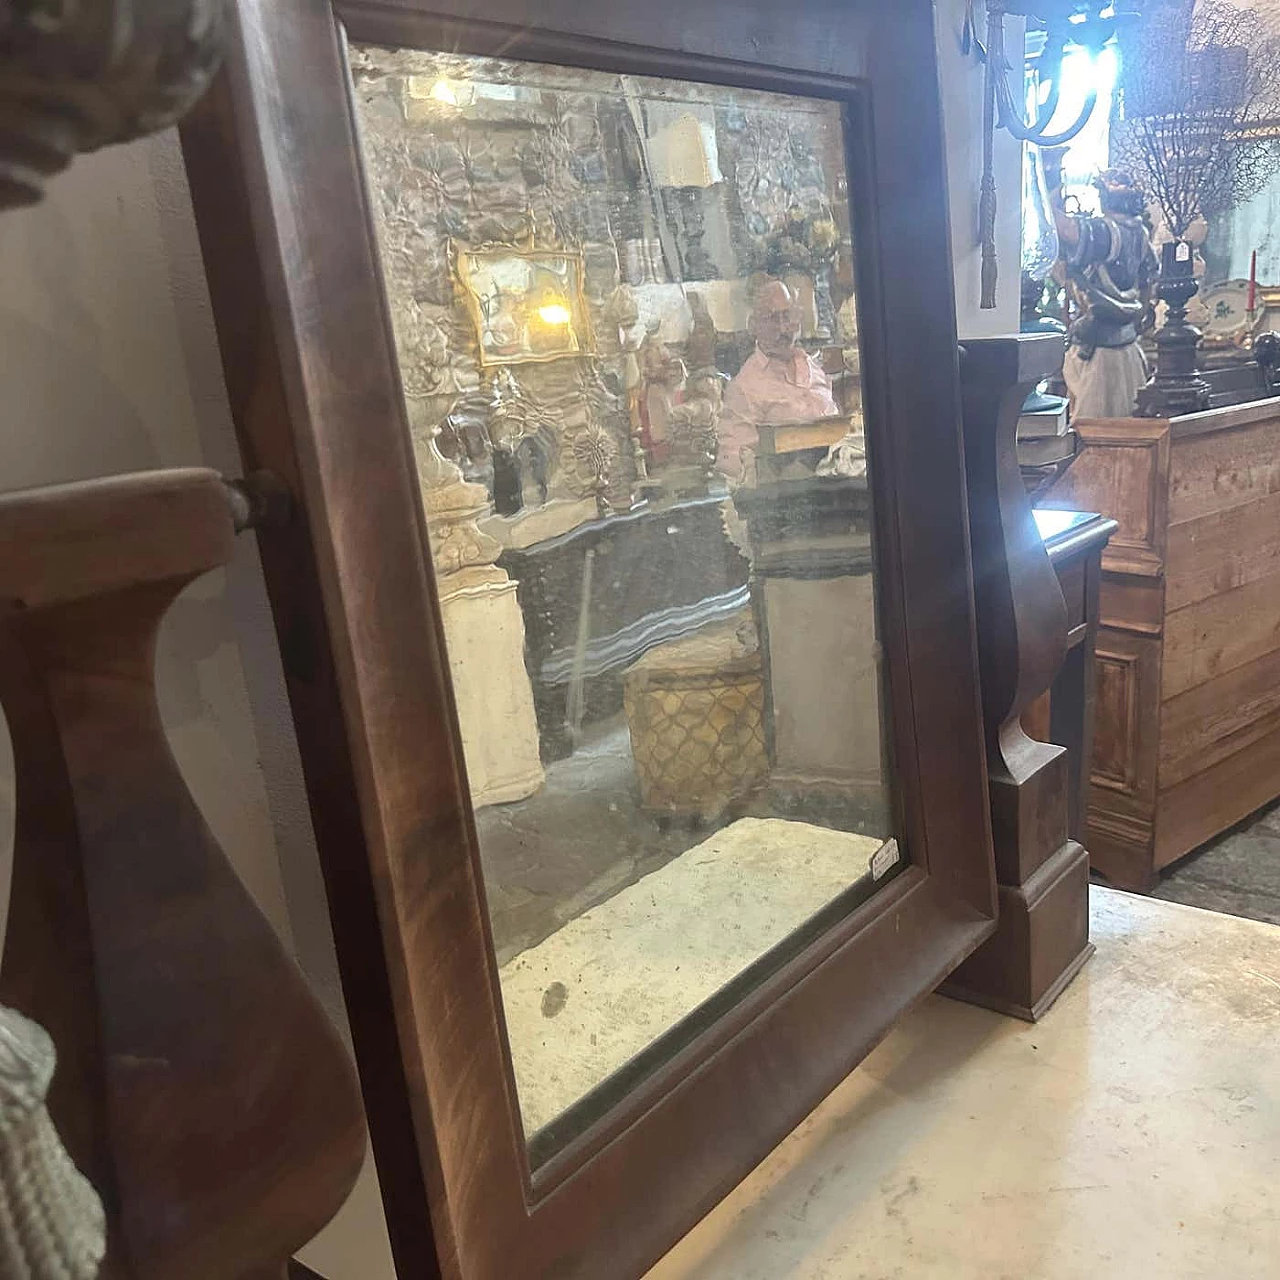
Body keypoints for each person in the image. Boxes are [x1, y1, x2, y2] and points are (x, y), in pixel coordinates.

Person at [1050, 164, 1159, 419]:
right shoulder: (1140, 233)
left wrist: (1050, 181)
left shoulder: (1107, 232)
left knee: (1095, 426)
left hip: (1101, 352)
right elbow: (1147, 283)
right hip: (1127, 345)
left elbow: (1063, 228)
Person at [717, 278, 838, 479]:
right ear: (754, 326)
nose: (782, 329)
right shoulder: (745, 387)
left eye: (787, 316)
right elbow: (733, 466)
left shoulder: (812, 367)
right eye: (772, 319)